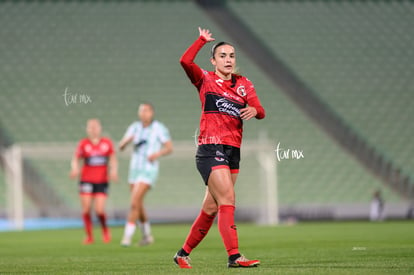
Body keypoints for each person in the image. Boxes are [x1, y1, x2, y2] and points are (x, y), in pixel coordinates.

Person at [173, 27, 266, 269]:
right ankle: (234, 256)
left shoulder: (244, 84)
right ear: (213, 61)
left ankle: (182, 254)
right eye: (222, 55)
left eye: (232, 55)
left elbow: (261, 111)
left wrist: (255, 110)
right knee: (228, 199)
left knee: (212, 207)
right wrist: (202, 40)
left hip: (232, 151)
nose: (228, 60)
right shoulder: (204, 79)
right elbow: (185, 60)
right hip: (210, 147)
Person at [119, 103, 173, 246]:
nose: (144, 113)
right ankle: (147, 236)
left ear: (152, 113)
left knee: (134, 201)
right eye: (141, 110)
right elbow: (122, 145)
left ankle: (127, 237)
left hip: (149, 169)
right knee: (138, 203)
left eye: (146, 110)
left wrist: (157, 154)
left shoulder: (158, 128)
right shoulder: (134, 127)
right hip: (134, 169)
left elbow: (169, 147)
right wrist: (124, 143)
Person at [70, 118, 118, 244]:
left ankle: (105, 230)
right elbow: (76, 158)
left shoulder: (106, 143)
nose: (93, 129)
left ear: (100, 128)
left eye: (95, 127)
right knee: (86, 209)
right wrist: (75, 169)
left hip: (101, 181)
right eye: (90, 127)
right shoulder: (83, 144)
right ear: (87, 129)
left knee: (99, 210)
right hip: (86, 180)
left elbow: (113, 159)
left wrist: (113, 171)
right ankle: (89, 236)